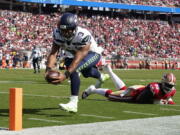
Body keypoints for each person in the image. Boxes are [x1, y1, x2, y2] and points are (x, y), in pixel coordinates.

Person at [45, 12, 109, 113]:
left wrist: (65, 75)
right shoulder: (57, 33)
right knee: (87, 73)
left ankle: (73, 103)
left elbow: (79, 57)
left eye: (67, 30)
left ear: (74, 28)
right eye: (63, 30)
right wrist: (48, 69)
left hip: (92, 54)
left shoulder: (83, 35)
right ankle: (101, 76)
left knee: (74, 69)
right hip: (72, 55)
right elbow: (53, 53)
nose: (65, 33)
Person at [82, 64, 176, 105]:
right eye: (168, 85)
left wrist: (167, 101)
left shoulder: (171, 91)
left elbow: (168, 98)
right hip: (134, 95)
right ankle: (92, 90)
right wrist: (154, 101)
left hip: (139, 89)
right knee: (112, 96)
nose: (169, 88)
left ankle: (110, 72)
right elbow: (140, 100)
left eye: (171, 86)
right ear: (163, 82)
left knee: (123, 89)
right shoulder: (154, 88)